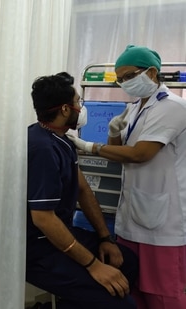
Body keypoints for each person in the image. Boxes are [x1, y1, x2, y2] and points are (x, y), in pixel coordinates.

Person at [68, 45, 186, 308]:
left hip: (165, 221)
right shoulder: (135, 108)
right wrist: (113, 132)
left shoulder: (173, 107)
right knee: (133, 287)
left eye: (129, 76)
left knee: (164, 293)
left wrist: (89, 146)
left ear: (152, 72)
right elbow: (119, 150)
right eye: (120, 79)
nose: (125, 83)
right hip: (134, 217)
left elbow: (141, 154)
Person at [26, 72, 138, 309]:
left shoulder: (63, 140)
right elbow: (43, 218)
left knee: (127, 262)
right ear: (65, 109)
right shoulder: (41, 148)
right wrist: (93, 265)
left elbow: (84, 190)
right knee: (119, 303)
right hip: (38, 249)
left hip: (61, 235)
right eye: (78, 102)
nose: (81, 108)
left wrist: (104, 238)